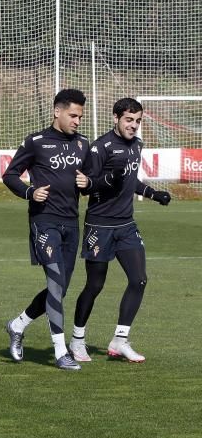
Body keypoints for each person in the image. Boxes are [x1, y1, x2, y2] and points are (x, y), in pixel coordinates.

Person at [70, 98, 171, 363]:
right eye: (129, 119)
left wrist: (152, 193)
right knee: (95, 285)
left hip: (126, 226)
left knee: (139, 279)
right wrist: (106, 180)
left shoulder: (137, 145)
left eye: (137, 121)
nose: (134, 126)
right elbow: (86, 186)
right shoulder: (100, 147)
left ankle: (120, 340)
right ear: (116, 118)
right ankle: (77, 340)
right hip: (99, 226)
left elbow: (130, 179)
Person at [3, 89, 90, 370]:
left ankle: (18, 325)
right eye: (73, 115)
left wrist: (88, 183)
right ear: (57, 111)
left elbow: (92, 180)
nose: (77, 121)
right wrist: (30, 192)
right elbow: (10, 174)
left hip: (71, 223)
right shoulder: (37, 142)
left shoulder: (82, 144)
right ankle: (60, 352)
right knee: (54, 283)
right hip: (44, 222)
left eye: (80, 116)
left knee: (59, 290)